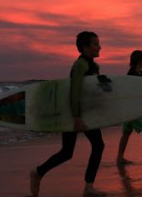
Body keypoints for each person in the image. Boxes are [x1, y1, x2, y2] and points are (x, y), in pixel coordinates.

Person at [30, 31, 106, 197]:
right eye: (95, 44)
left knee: (72, 151)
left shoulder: (94, 66)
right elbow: (75, 91)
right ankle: (39, 173)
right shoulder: (81, 65)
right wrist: (77, 117)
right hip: (76, 113)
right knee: (77, 150)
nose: (99, 47)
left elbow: (91, 91)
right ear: (85, 47)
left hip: (86, 113)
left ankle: (40, 173)